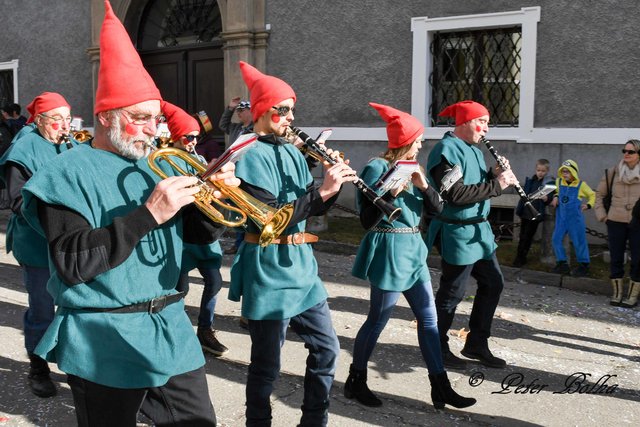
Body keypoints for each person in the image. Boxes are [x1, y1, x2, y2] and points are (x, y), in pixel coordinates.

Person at [19, 2, 238, 424]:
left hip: (170, 327)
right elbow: (73, 263)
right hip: (104, 334)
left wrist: (216, 200)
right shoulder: (64, 173)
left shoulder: (160, 162)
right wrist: (148, 214)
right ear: (105, 117)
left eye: (156, 119)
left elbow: (197, 235)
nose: (154, 130)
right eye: (140, 119)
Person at [229, 61, 356, 427]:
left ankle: (314, 421)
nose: (291, 117)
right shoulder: (246, 153)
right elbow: (271, 217)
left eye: (292, 110)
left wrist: (332, 184)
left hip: (302, 265)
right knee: (267, 364)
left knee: (327, 349)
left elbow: (311, 208)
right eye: (282, 110)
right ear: (261, 110)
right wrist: (323, 191)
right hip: (268, 267)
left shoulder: (290, 151)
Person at [347, 102, 475, 410]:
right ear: (405, 141)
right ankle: (356, 380)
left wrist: (423, 185)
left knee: (429, 319)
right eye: (417, 140)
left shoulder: (416, 167)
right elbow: (366, 218)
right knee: (378, 318)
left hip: (414, 248)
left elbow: (438, 209)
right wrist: (390, 192)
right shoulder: (376, 167)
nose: (420, 146)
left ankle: (440, 386)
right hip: (389, 248)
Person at [424, 100, 518, 370]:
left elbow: (476, 184)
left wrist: (493, 174)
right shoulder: (446, 150)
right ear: (465, 122)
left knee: (493, 283)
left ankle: (476, 343)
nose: (486, 129)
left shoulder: (474, 150)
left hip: (479, 231)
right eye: (482, 122)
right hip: (457, 231)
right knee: (453, 292)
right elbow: (455, 194)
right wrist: (498, 185)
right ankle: (437, 346)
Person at [0, 91, 78, 398]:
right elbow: (17, 201)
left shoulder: (68, 143)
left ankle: (72, 361)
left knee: (73, 305)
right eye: (57, 119)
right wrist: (57, 219)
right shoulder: (24, 148)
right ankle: (38, 368)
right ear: (40, 120)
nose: (65, 126)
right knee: (43, 309)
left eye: (68, 118)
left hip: (69, 241)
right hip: (37, 243)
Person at [163, 100, 229, 355]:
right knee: (181, 289)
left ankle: (205, 329)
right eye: (188, 137)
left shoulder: (199, 157)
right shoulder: (166, 159)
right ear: (175, 137)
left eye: (195, 137)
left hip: (204, 234)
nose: (193, 142)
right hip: (181, 235)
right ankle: (177, 334)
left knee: (215, 281)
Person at [594, 140, 640, 307]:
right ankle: (617, 294)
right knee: (616, 258)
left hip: (638, 222)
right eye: (624, 151)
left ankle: (632, 296)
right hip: (615, 220)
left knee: (638, 260)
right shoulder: (613, 172)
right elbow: (599, 195)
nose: (626, 154)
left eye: (631, 151)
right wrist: (603, 216)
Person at [219, 97, 253, 255]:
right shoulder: (235, 128)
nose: (239, 113)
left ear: (251, 111)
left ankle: (244, 242)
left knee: (244, 206)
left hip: (246, 171)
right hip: (232, 171)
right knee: (235, 207)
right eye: (237, 111)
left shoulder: (255, 129)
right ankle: (239, 242)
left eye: (242, 110)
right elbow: (222, 125)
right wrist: (230, 108)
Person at [550, 159, 595, 277]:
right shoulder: (559, 182)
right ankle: (562, 263)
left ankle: (584, 265)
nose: (564, 174)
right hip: (561, 218)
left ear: (573, 172)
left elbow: (592, 195)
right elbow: (555, 190)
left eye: (567, 171)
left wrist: (589, 205)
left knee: (579, 241)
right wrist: (555, 196)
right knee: (556, 239)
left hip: (575, 219)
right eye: (563, 171)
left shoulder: (581, 185)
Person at [512, 159, 554, 267]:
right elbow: (524, 195)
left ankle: (521, 258)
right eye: (538, 170)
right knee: (522, 236)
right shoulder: (531, 180)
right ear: (536, 169)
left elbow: (549, 198)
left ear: (547, 171)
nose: (540, 173)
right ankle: (519, 256)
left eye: (543, 171)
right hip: (525, 212)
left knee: (527, 236)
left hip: (535, 214)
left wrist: (546, 198)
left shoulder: (548, 183)